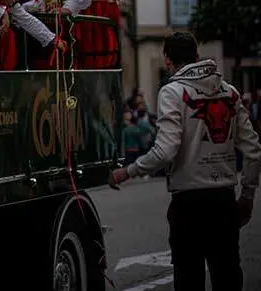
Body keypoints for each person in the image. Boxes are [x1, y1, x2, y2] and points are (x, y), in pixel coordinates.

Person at [110, 33, 261, 291]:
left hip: (189, 205)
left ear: (168, 62)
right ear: (196, 57)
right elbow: (253, 149)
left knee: (189, 279)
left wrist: (128, 171)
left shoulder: (172, 92)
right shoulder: (231, 93)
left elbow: (166, 150)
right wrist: (247, 196)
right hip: (224, 201)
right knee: (228, 278)